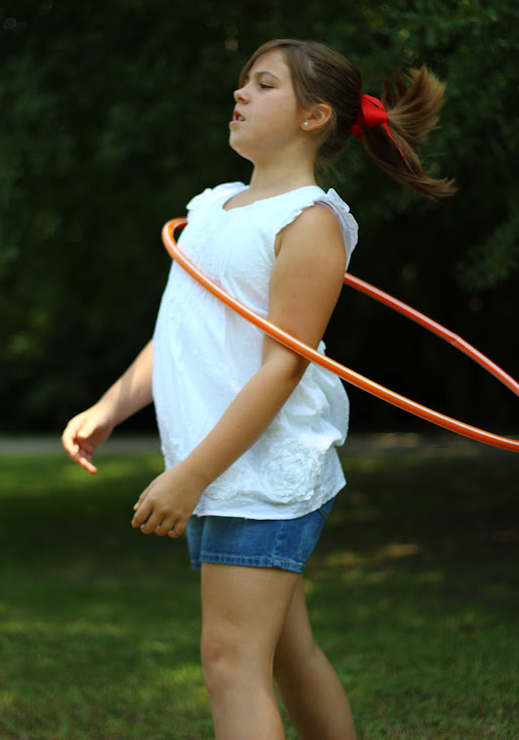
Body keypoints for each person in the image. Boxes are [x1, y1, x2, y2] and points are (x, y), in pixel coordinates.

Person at [62, 38, 455, 740]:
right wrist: (109, 407)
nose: (240, 93)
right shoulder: (213, 206)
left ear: (314, 116)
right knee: (284, 652)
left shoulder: (308, 221)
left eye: (264, 84)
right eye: (244, 82)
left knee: (230, 660)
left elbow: (284, 366)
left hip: (263, 473)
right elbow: (181, 331)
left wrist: (191, 475)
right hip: (221, 466)